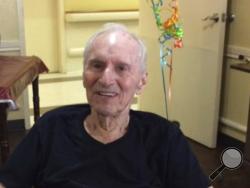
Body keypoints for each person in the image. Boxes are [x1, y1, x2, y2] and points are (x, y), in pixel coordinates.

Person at [0, 23, 210, 188]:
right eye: (97, 65)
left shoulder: (164, 138)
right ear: (84, 75)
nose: (106, 79)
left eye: (121, 68)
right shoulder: (51, 128)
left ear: (142, 82)